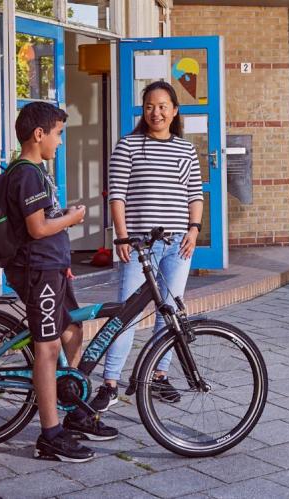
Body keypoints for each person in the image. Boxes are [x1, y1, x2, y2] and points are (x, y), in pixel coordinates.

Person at [0, 102, 117, 463]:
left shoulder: (37, 172)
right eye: (58, 134)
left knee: (72, 332)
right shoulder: (28, 174)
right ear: (39, 134)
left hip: (52, 268)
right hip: (37, 272)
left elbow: (43, 221)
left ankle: (75, 410)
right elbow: (37, 228)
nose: (60, 142)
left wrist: (63, 229)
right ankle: (50, 436)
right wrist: (73, 218)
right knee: (48, 351)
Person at [89, 81, 203, 412]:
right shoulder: (128, 146)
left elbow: (194, 195)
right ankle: (110, 383)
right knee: (126, 313)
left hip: (178, 245)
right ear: (143, 110)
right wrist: (121, 237)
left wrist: (194, 230)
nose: (157, 112)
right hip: (140, 247)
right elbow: (117, 195)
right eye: (150, 106)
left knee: (169, 312)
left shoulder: (185, 149)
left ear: (175, 110)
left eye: (163, 106)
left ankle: (157, 376)